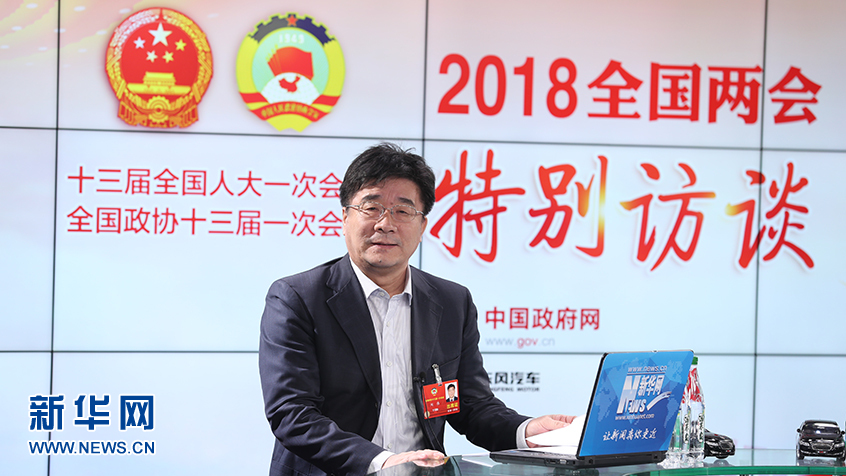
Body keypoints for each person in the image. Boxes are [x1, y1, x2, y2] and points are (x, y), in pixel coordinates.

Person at [259, 143, 574, 476]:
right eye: (371, 208)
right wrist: (381, 462)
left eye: (403, 211)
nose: (385, 224)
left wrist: (527, 431)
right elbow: (293, 414)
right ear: (345, 217)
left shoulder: (452, 302)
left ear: (423, 226)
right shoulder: (297, 298)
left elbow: (470, 406)